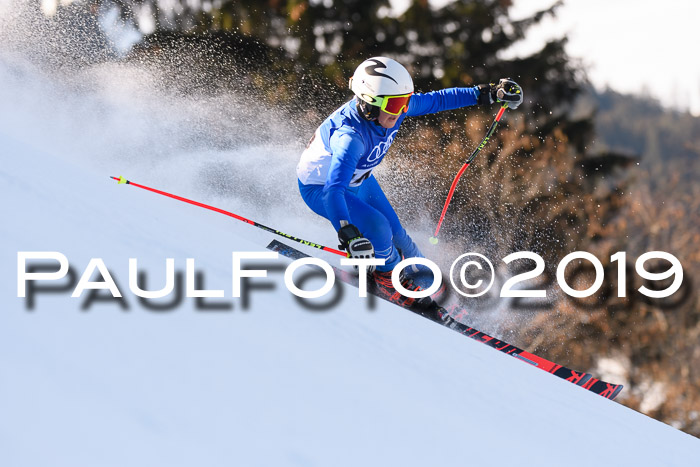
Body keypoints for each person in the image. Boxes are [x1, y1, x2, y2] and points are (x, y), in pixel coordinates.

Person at [296, 56, 522, 304]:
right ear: (368, 104)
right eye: (394, 105)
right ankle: (387, 277)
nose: (402, 110)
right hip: (321, 189)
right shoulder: (350, 138)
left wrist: (488, 93)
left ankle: (428, 285)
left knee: (400, 237)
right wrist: (348, 234)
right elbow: (333, 191)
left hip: (358, 181)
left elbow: (437, 100)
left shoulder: (393, 109)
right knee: (379, 228)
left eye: (404, 103)